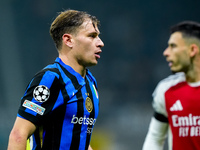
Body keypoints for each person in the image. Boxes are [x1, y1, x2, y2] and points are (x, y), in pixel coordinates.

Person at [7, 9, 104, 150]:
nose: (100, 43)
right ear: (68, 40)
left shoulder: (90, 82)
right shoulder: (51, 79)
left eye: (98, 36)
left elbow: (79, 140)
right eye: (92, 36)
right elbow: (18, 135)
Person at [143, 21, 200, 150]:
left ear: (192, 50)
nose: (166, 52)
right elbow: (155, 139)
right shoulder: (166, 90)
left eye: (173, 46)